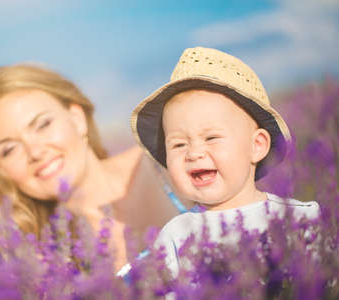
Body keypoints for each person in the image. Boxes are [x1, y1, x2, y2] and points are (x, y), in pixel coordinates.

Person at [130, 47, 320, 276]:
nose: (194, 153)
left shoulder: (299, 219)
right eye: (179, 144)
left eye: (211, 138)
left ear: (257, 146)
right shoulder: (175, 235)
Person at [0, 64, 186, 270]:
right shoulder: (45, 258)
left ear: (77, 119)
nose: (34, 152)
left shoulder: (164, 163)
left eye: (42, 125)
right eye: (9, 150)